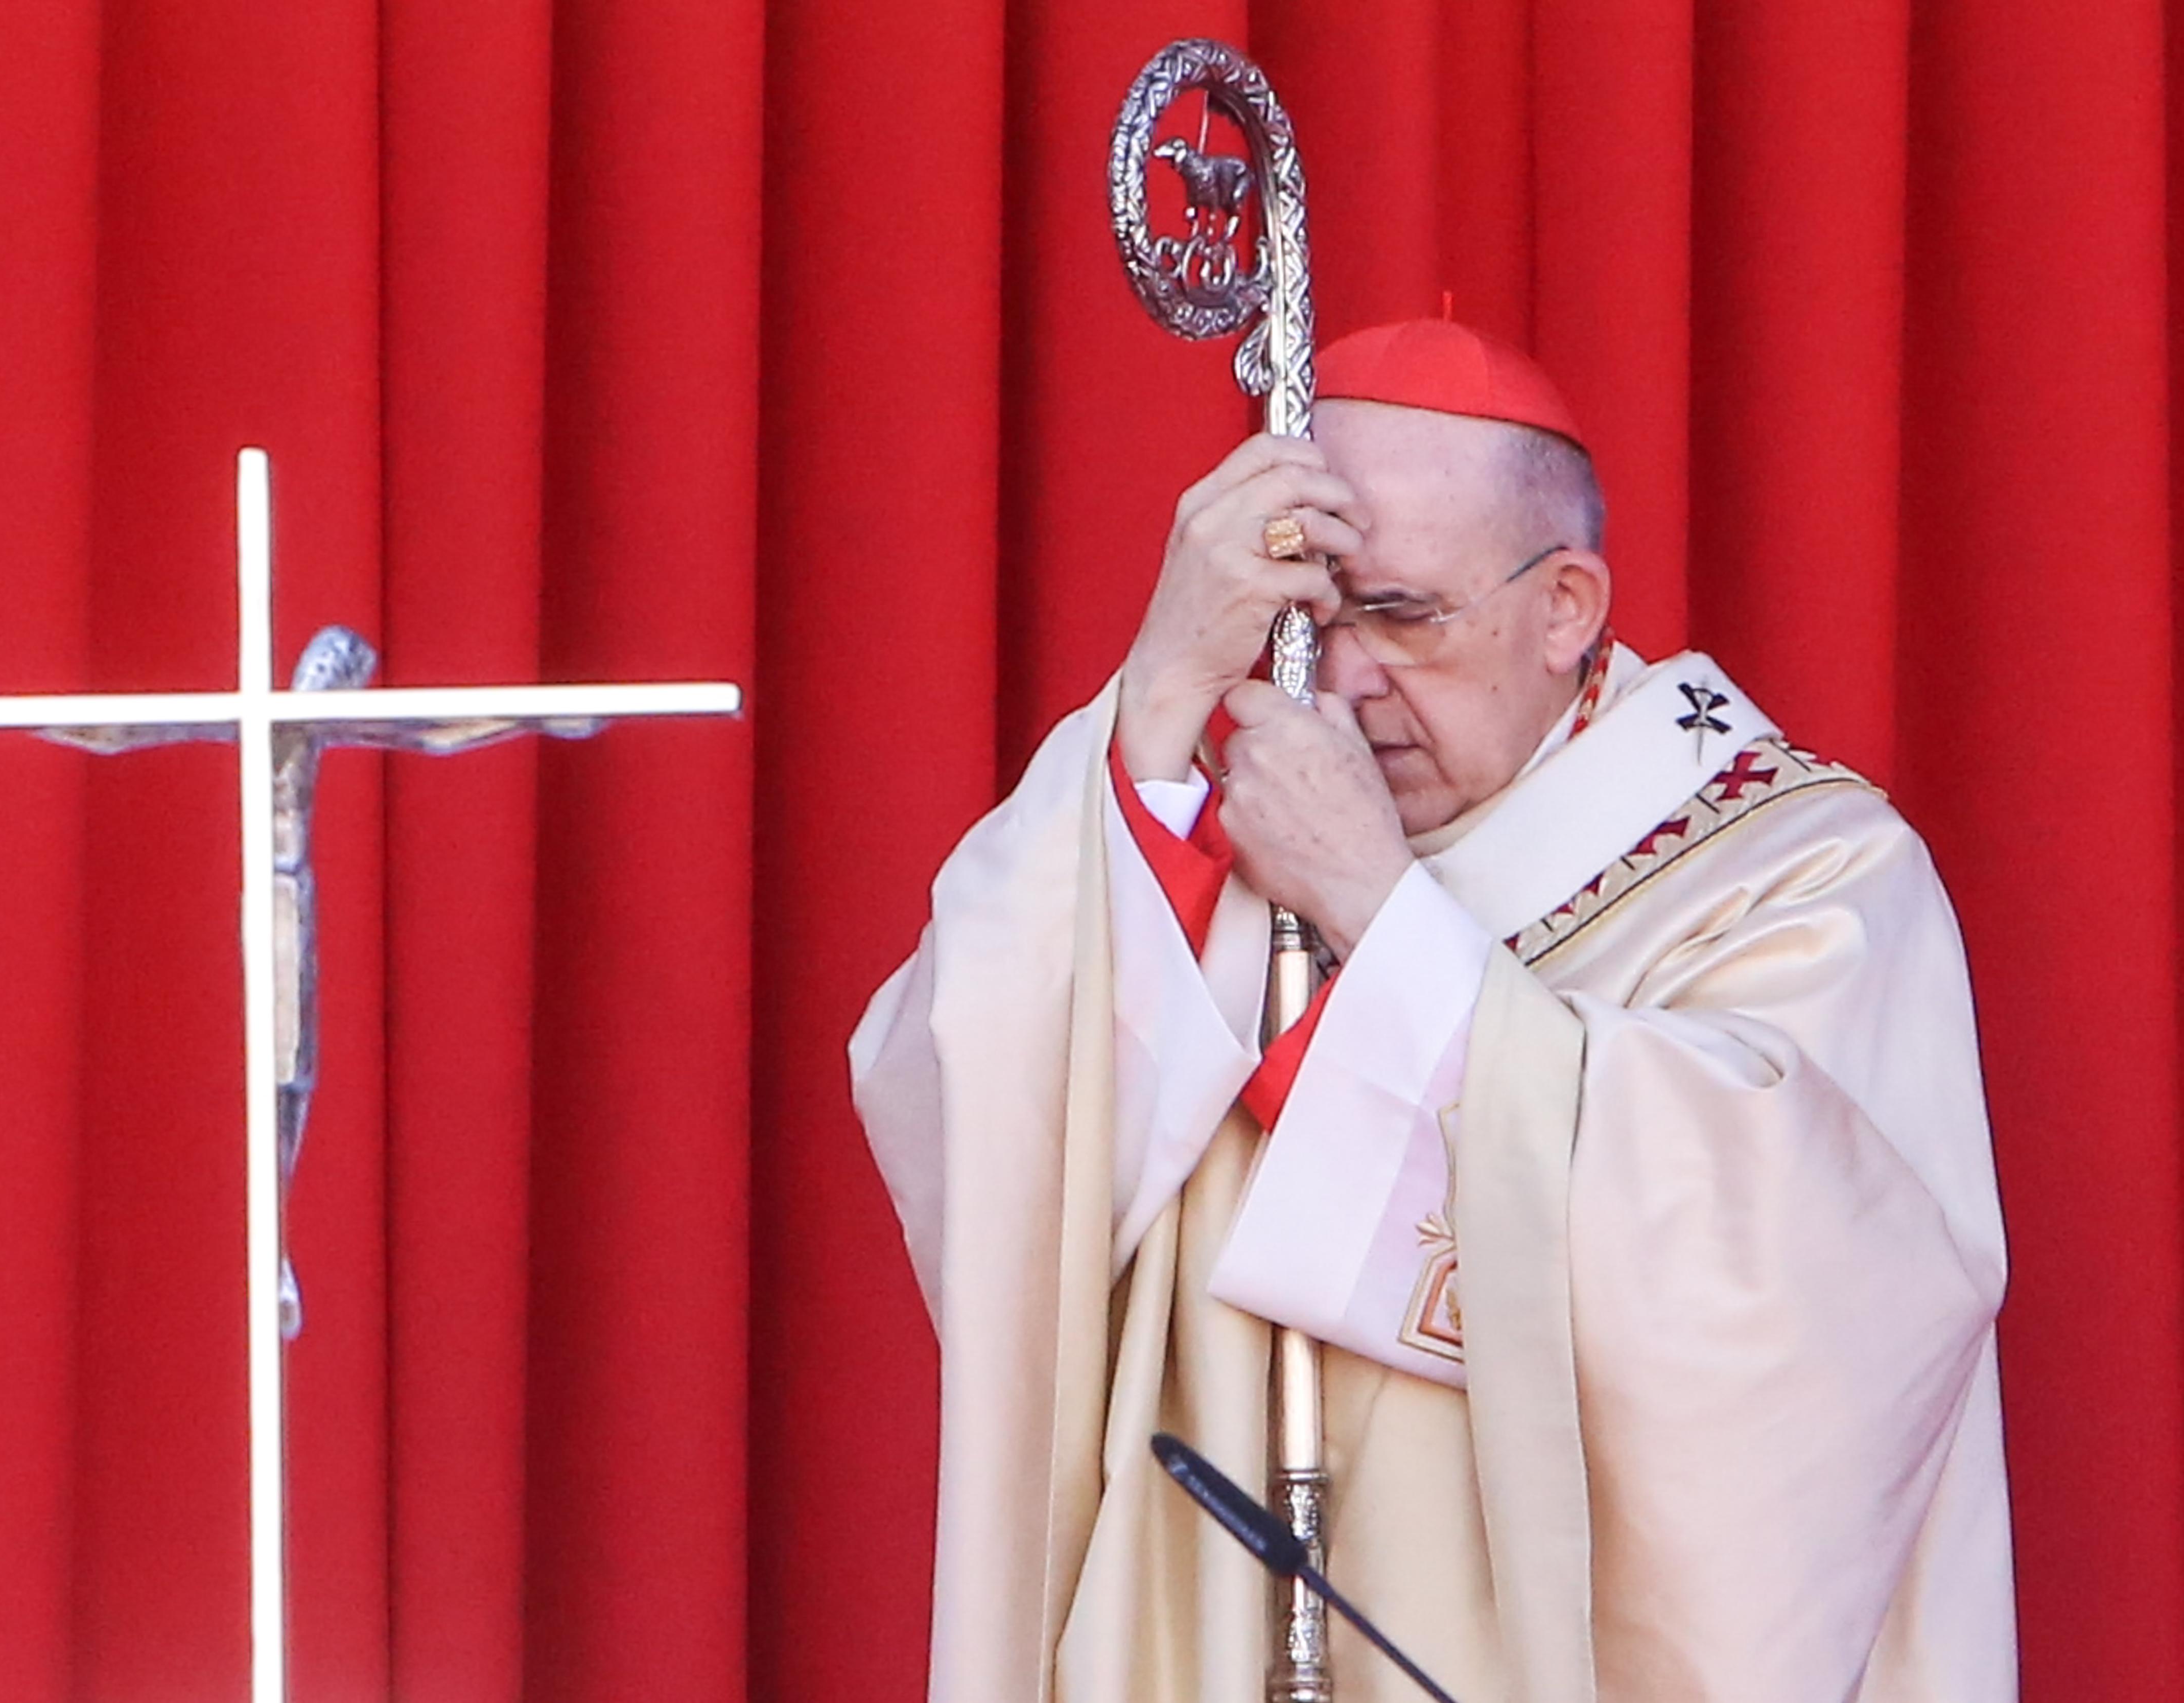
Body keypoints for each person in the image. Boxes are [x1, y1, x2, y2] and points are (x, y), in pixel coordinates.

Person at [848, 317, 2013, 1701]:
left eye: (1401, 617)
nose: (1342, 680)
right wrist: (1160, 695)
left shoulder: (1800, 868)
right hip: (1206, 1620)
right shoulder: (1207, 834)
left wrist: (1379, 916)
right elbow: (964, 1110)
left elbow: (1819, 1307)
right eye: (1305, 622)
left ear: (1566, 608)